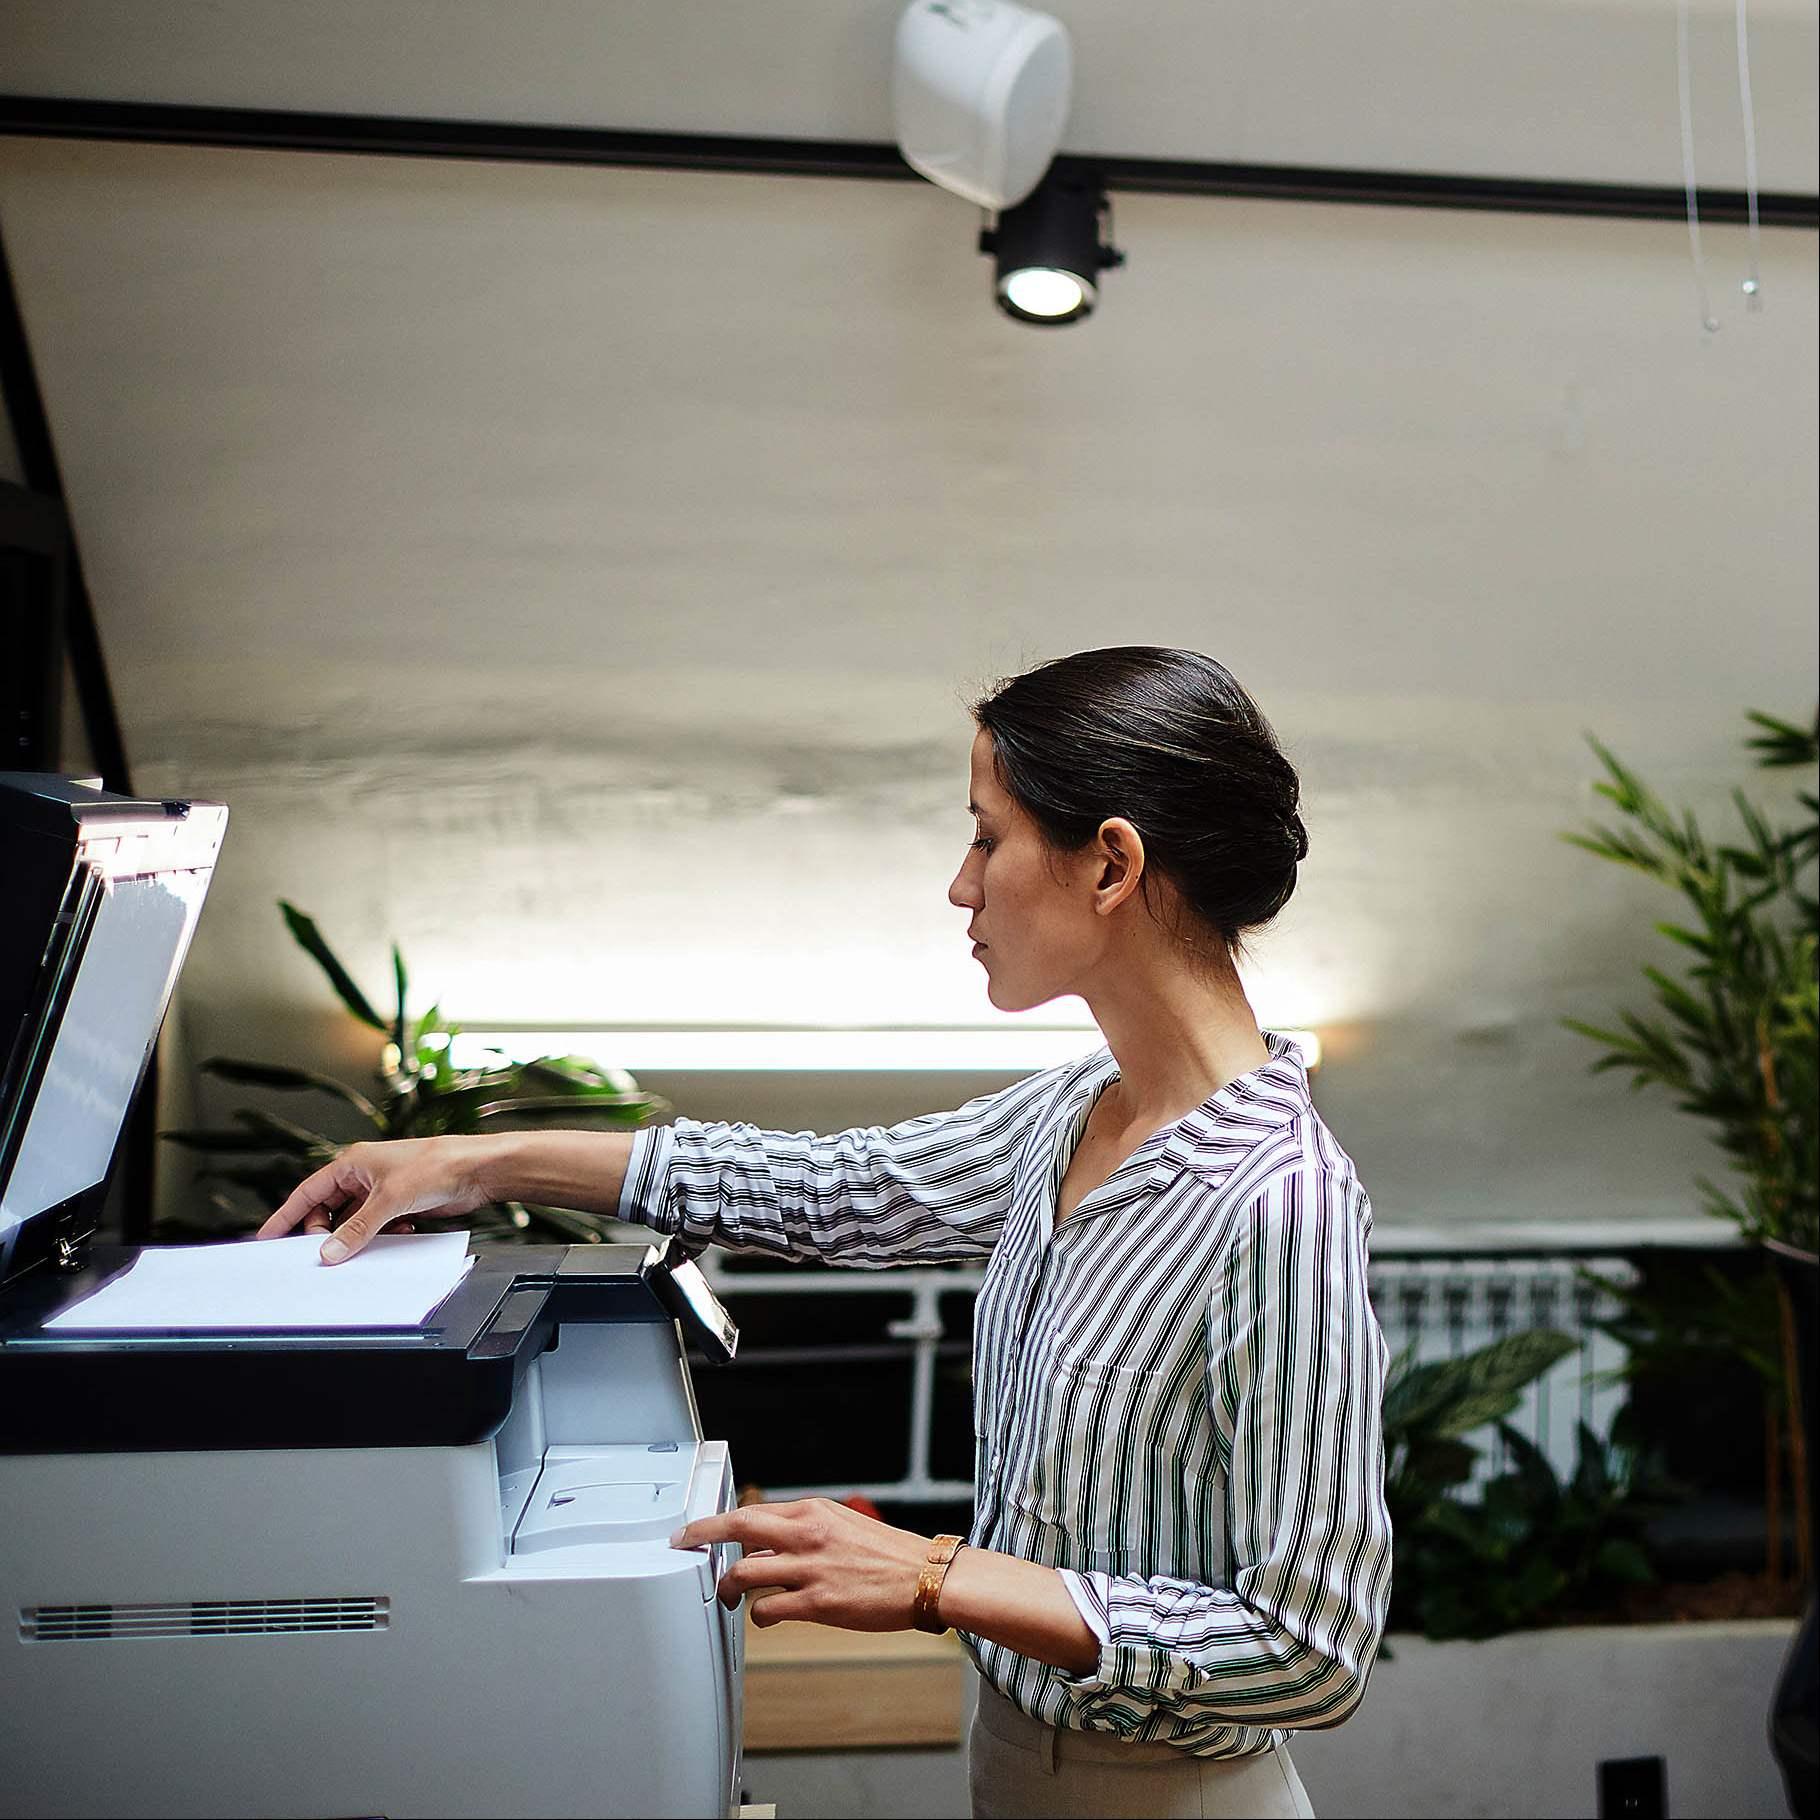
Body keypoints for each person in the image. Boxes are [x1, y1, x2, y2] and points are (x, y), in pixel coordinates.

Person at [260, 645, 1392, 1820]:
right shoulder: (1073, 1110)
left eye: (985, 836)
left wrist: (931, 1574)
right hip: (1007, 1757)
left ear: (1109, 863)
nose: (962, 885)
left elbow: (1310, 1645)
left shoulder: (1276, 1201)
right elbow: (827, 1186)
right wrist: (478, 1157)